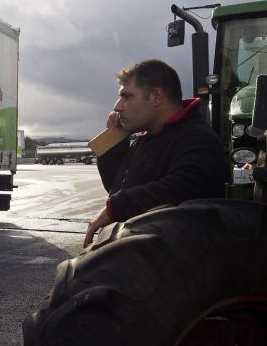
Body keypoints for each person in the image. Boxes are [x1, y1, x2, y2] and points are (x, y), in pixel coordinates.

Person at [83, 59, 227, 247]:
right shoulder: (148, 137)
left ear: (157, 97)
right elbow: (116, 187)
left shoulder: (197, 138)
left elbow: (185, 187)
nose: (117, 106)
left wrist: (116, 208)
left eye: (127, 97)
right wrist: (117, 141)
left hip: (175, 265)